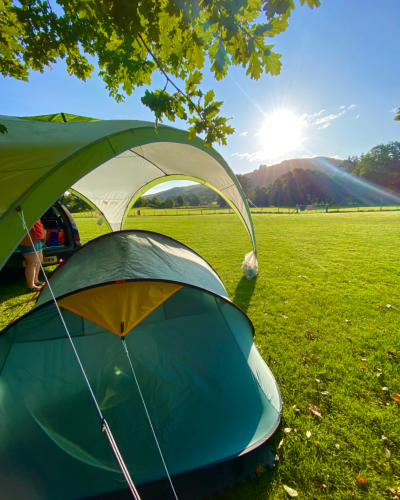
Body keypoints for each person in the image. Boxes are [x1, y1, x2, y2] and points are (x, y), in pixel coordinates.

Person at [17, 219, 44, 293]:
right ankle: (31, 286)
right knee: (32, 262)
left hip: (37, 238)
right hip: (28, 239)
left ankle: (36, 281)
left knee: (39, 260)